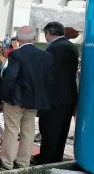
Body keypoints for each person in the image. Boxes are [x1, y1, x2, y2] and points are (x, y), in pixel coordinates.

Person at [0, 26, 52, 170]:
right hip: (34, 100)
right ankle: (23, 162)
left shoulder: (16, 55)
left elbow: (10, 77)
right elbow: (48, 79)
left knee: (11, 130)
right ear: (34, 38)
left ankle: (7, 162)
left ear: (18, 39)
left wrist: (4, 96)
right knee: (28, 131)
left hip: (15, 99)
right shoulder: (45, 56)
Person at [33, 22, 79, 165]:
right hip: (68, 96)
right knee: (61, 132)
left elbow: (47, 73)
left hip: (52, 98)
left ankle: (46, 159)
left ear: (47, 33)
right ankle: (55, 158)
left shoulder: (54, 48)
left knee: (49, 130)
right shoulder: (71, 46)